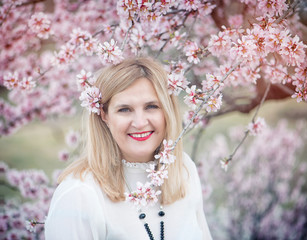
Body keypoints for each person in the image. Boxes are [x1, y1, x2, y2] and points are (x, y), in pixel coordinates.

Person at [45, 57, 212, 240]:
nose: (140, 123)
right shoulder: (79, 195)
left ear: (167, 112)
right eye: (124, 109)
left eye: (151, 106)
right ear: (104, 116)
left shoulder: (184, 171)